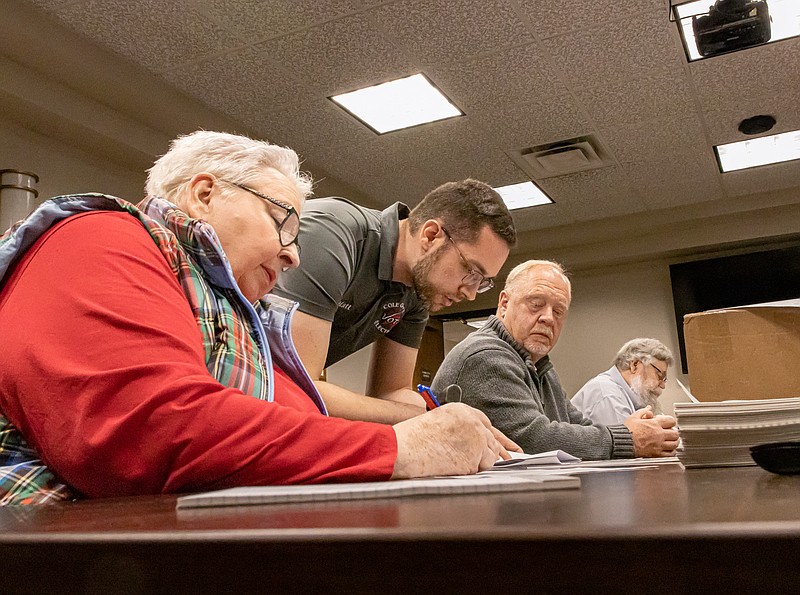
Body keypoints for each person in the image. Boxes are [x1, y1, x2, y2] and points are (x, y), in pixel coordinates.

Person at [0, 131, 517, 505]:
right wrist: (398, 446)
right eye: (283, 223)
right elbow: (148, 430)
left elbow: (301, 426)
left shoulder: (232, 312)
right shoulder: (100, 236)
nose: (293, 255)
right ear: (204, 194)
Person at [272, 179, 516, 424]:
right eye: (471, 271)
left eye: (482, 282)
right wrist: (431, 419)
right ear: (431, 236)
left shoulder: (419, 290)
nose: (471, 294)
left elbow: (391, 392)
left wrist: (464, 422)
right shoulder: (334, 234)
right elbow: (296, 388)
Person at [431, 260, 679, 459]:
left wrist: (632, 432)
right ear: (504, 304)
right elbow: (532, 438)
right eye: (536, 304)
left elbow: (579, 424)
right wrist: (628, 438)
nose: (548, 318)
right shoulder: (485, 356)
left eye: (558, 311)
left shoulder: (540, 367)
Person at [571, 338, 674, 425]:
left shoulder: (630, 396)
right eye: (659, 374)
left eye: (664, 379)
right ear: (635, 365)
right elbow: (628, 446)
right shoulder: (608, 395)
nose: (663, 385)